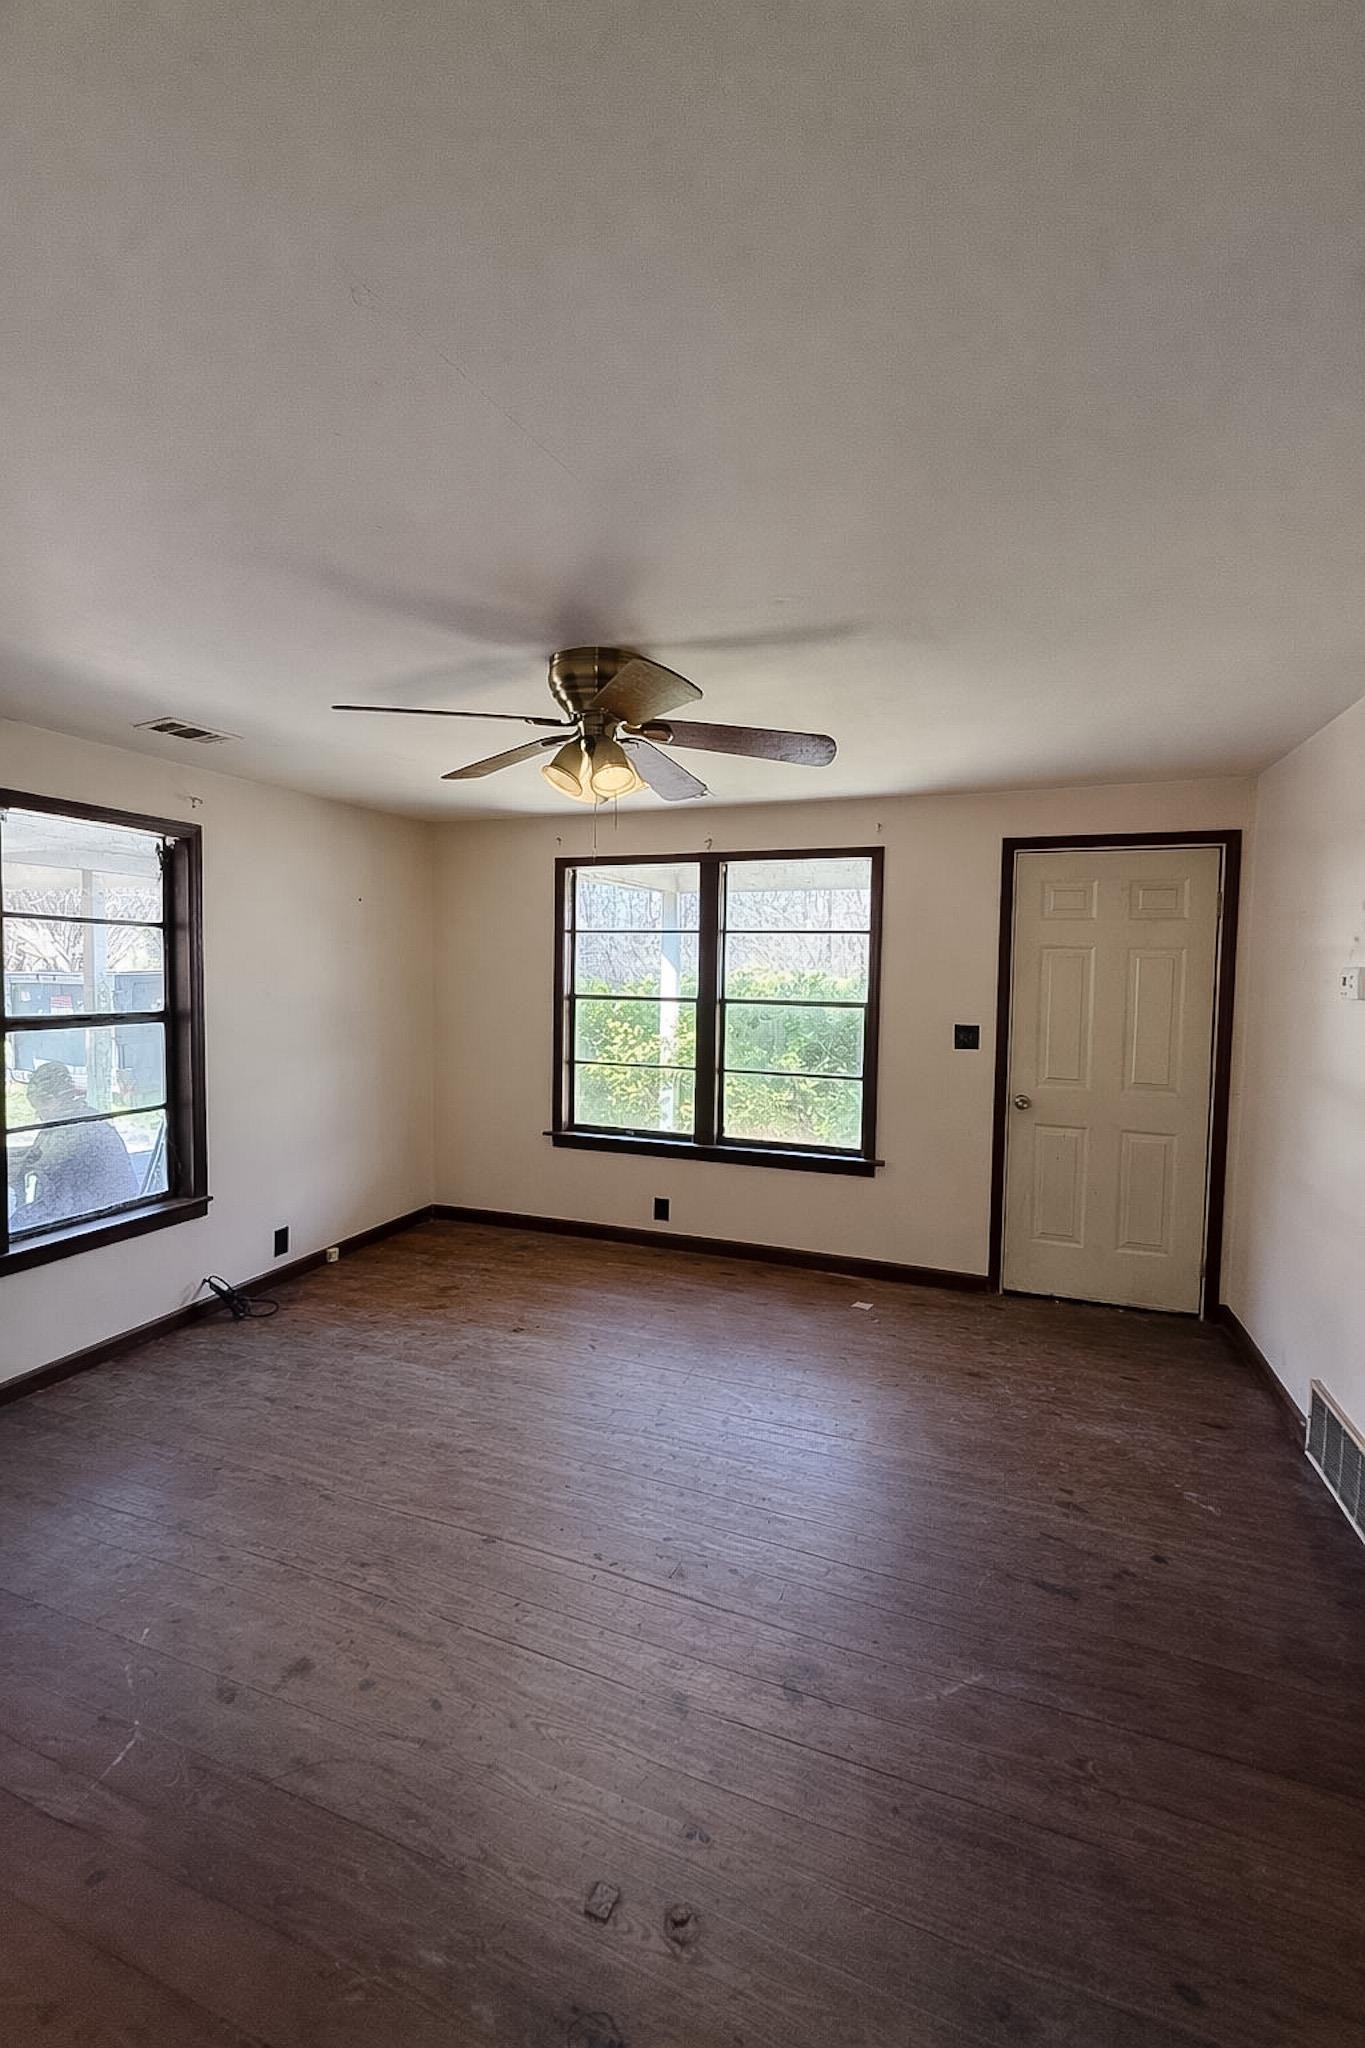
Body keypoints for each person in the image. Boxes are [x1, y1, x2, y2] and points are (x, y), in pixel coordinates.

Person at [6, 1062, 139, 1232]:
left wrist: (19, 1166)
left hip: (103, 1214)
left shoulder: (81, 1127)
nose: (38, 1115)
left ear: (56, 1098)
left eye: (41, 1107)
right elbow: (40, 1153)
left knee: (16, 1226)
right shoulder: (65, 1119)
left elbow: (50, 1166)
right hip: (77, 1201)